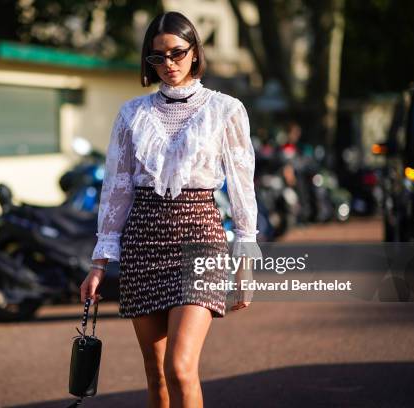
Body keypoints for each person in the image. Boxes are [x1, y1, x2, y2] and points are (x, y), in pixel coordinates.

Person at [80, 11, 261, 408]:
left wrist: (245, 257)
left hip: (200, 238)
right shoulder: (131, 114)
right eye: (157, 57)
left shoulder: (225, 110)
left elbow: (242, 185)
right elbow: (116, 190)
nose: (168, 64)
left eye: (177, 53)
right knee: (156, 372)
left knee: (181, 368)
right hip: (144, 242)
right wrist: (99, 263)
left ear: (195, 52)